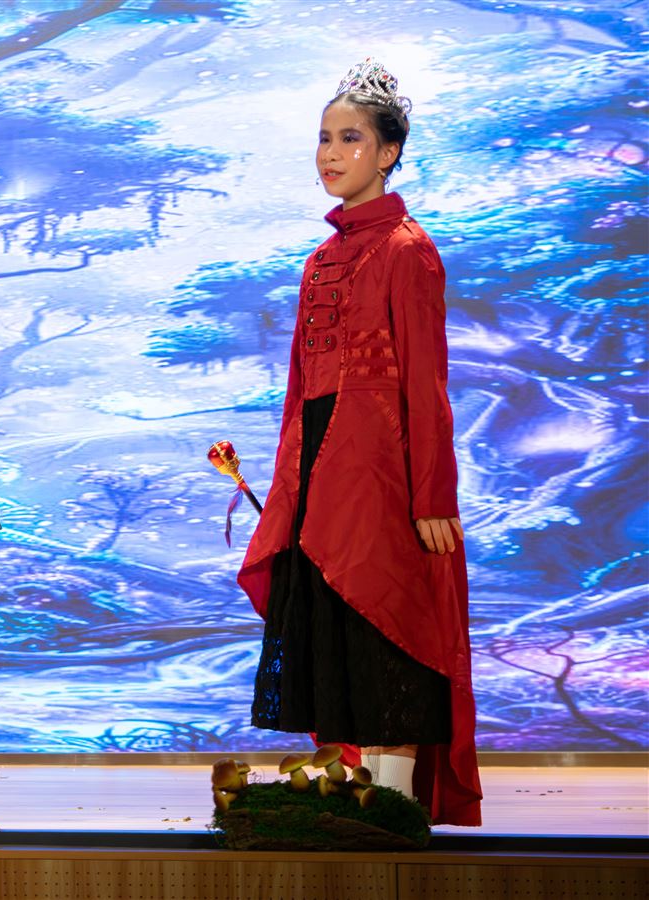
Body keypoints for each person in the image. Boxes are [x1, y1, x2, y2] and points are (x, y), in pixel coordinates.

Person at [239, 60, 482, 827]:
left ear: (388, 153)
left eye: (350, 138)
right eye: (324, 138)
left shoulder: (407, 249)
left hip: (381, 474)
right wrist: (290, 485)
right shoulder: (319, 260)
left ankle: (396, 814)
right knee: (339, 634)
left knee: (388, 627)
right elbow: (299, 389)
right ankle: (361, 806)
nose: (331, 153)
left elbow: (426, 385)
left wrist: (431, 495)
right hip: (319, 470)